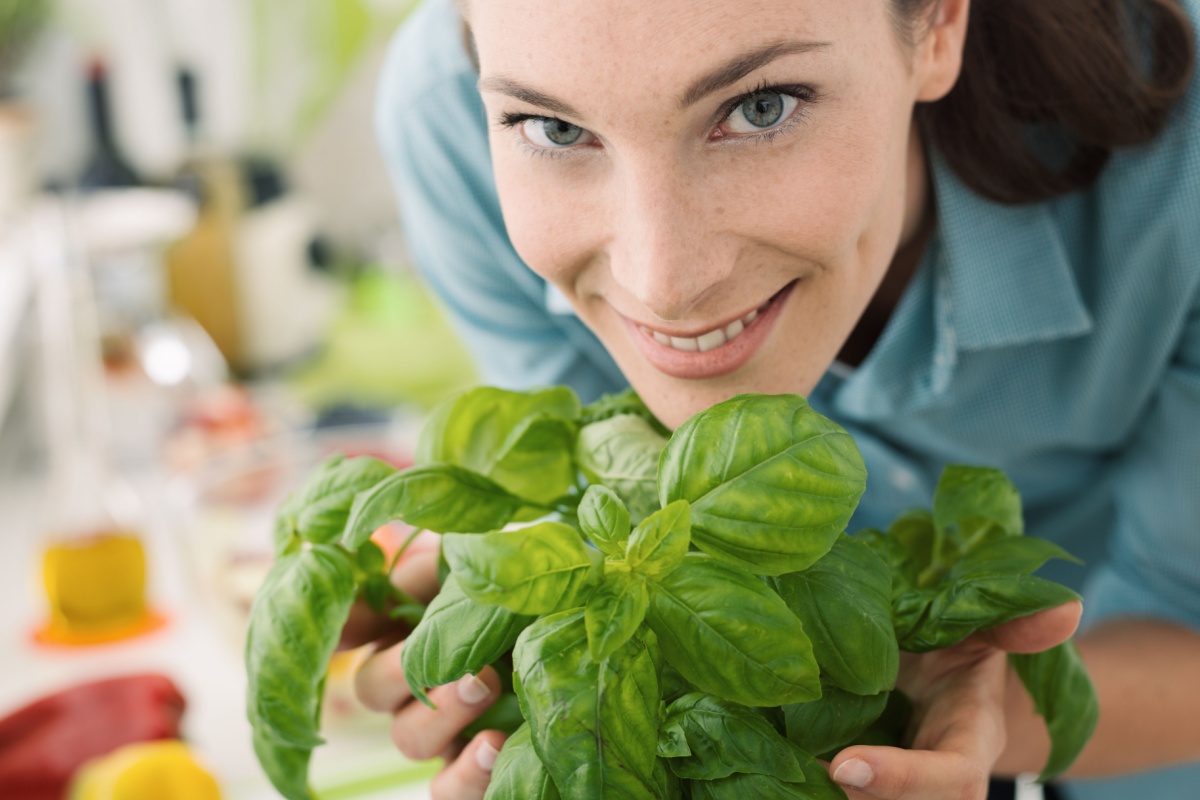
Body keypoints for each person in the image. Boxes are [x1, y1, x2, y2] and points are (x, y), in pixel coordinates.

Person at [353, 0, 1200, 798]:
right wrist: (528, 673)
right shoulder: (448, 122)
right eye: (557, 128)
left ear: (938, 22)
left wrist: (983, 714)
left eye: (762, 107)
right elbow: (606, 490)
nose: (665, 284)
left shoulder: (1181, 164)